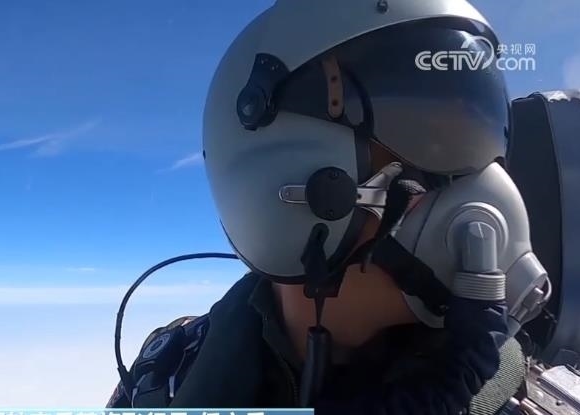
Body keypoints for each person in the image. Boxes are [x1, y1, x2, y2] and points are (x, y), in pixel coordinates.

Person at [107, 0, 551, 413]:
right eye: (440, 149)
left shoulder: (533, 396)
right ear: (288, 175)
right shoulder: (162, 377)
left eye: (484, 148)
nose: (485, 189)